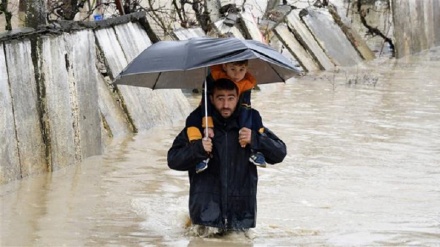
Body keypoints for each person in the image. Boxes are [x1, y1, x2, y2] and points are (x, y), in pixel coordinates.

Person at [167, 78, 287, 233]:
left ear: (238, 98)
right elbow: (173, 159)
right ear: (211, 98)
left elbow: (280, 153)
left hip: (241, 217)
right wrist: (198, 148)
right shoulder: (198, 128)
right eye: (220, 98)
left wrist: (255, 140)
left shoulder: (249, 126)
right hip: (205, 218)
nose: (225, 105)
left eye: (231, 98)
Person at [186, 60, 267, 174]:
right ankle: (202, 155)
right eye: (233, 69)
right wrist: (206, 127)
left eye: (241, 70)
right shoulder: (214, 77)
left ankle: (255, 152)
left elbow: (246, 106)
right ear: (224, 66)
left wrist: (252, 137)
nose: (237, 74)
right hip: (206, 111)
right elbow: (174, 160)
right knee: (192, 120)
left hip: (242, 188)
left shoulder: (247, 83)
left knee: (255, 118)